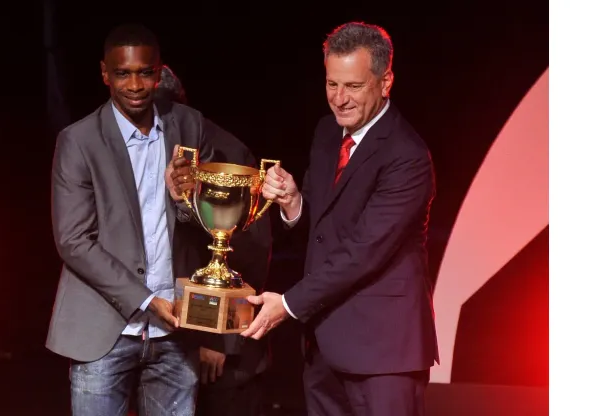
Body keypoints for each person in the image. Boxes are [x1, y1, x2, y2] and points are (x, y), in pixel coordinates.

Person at [241, 22, 439, 416]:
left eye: (353, 86)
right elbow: (323, 232)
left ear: (385, 83)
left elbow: (363, 252)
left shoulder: (407, 157)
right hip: (324, 346)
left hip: (384, 356)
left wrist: (289, 305)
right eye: (332, 84)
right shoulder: (328, 134)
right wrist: (294, 202)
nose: (340, 99)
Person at [46, 23, 218, 416]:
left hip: (176, 330)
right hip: (102, 331)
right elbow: (73, 240)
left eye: (145, 72)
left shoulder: (188, 125)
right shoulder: (79, 140)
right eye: (123, 73)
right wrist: (146, 300)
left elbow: (207, 226)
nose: (135, 85)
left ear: (159, 72)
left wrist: (185, 199)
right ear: (105, 74)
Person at [156, 65, 273, 416]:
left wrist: (218, 336)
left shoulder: (224, 156)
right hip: (171, 343)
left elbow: (252, 251)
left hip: (220, 358)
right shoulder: (142, 155)